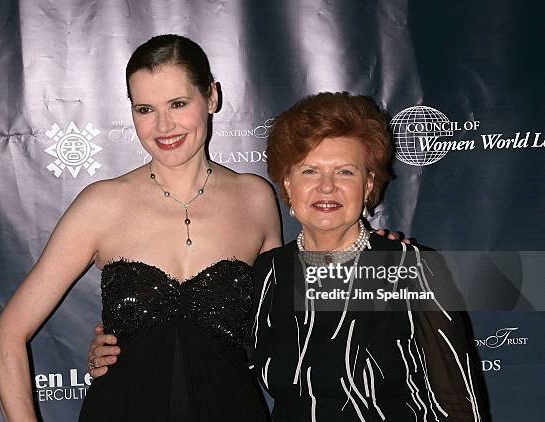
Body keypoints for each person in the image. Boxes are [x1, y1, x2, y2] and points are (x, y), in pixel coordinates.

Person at [88, 91, 485, 421]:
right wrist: (119, 345)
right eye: (309, 171)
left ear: (368, 185)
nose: (326, 187)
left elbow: (458, 402)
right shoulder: (267, 275)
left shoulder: (408, 270)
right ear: (288, 185)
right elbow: (209, 344)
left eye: (345, 172)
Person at [0, 34, 280, 422]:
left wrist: (372, 251)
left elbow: (282, 329)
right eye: (145, 108)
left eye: (178, 103)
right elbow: (5, 339)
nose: (163, 125)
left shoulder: (254, 198)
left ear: (211, 97)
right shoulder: (102, 204)